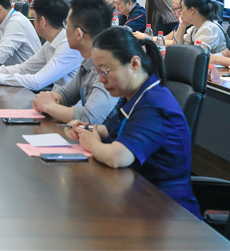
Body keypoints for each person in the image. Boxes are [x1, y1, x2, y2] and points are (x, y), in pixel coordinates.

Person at [65, 27, 201, 219]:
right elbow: (112, 129)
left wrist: (92, 143)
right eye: (97, 72)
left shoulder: (154, 105)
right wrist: (88, 129)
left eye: (105, 71)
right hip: (137, 198)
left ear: (134, 64)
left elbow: (117, 157)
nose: (101, 80)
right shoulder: (134, 95)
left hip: (168, 213)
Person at [0, 0, 82, 91]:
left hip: (67, 107)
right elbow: (24, 69)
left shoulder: (68, 46)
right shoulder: (50, 43)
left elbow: (37, 82)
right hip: (53, 100)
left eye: (34, 17)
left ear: (42, 21)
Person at [33, 0, 117, 124]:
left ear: (79, 33)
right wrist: (47, 98)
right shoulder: (88, 62)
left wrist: (48, 106)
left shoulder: (109, 67)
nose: (64, 30)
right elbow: (66, 94)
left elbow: (89, 118)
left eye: (67, 25)